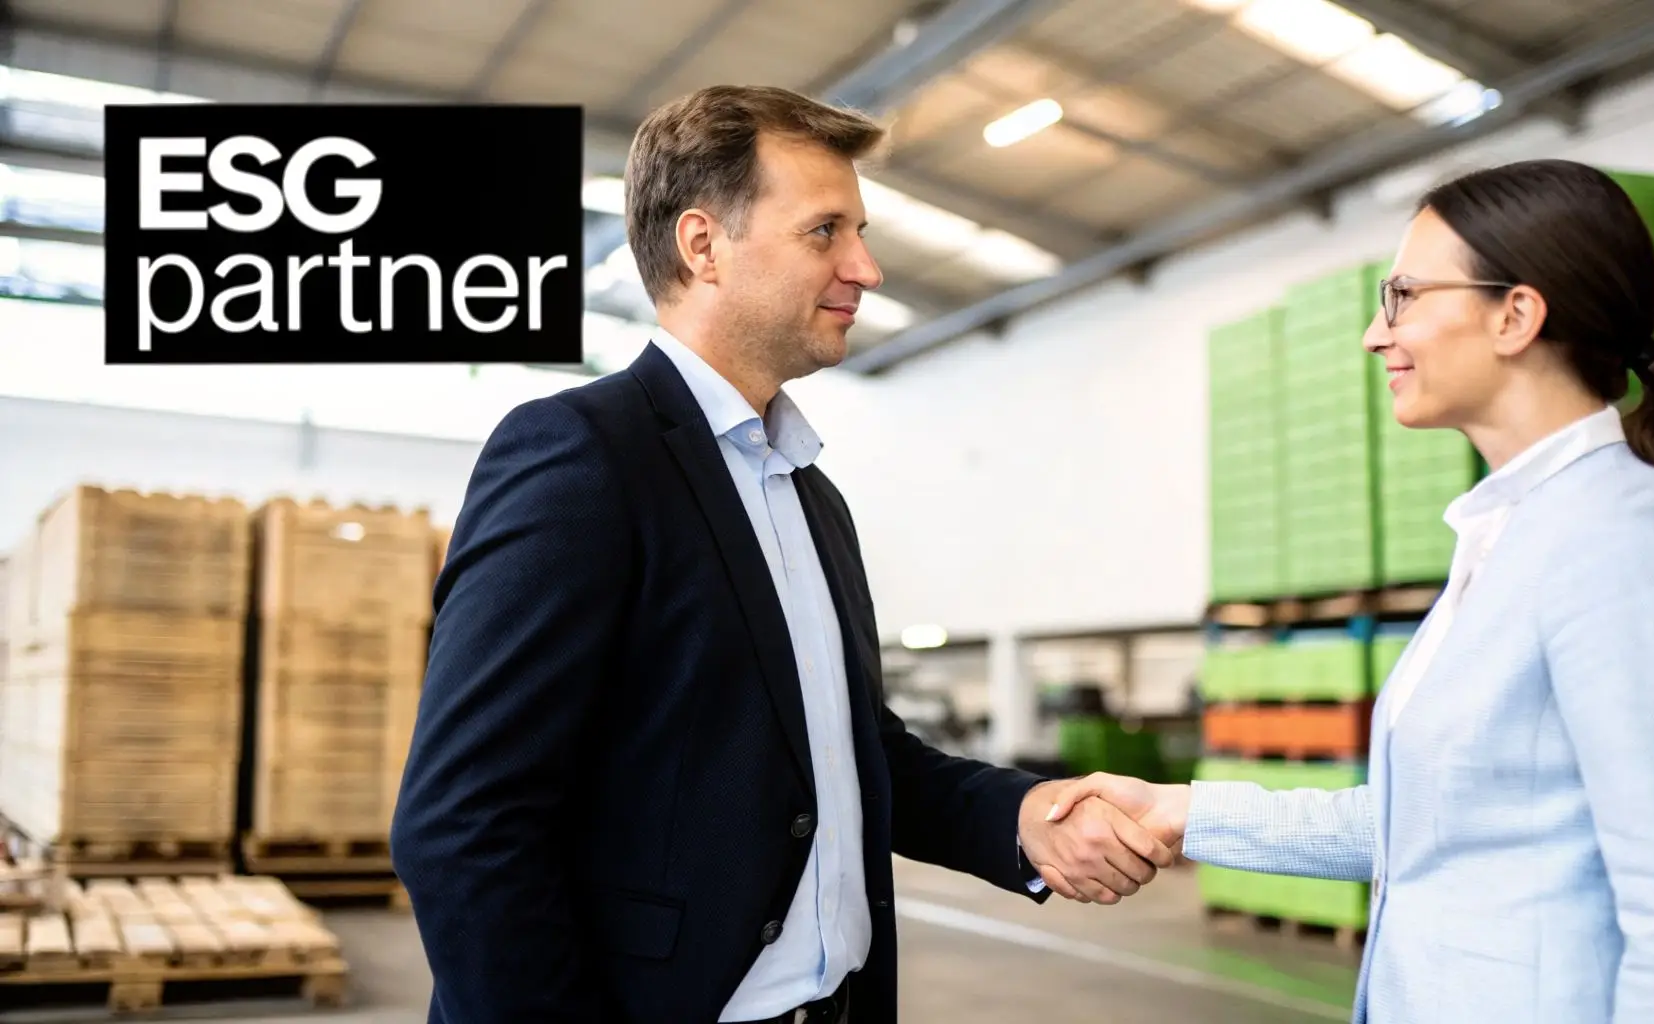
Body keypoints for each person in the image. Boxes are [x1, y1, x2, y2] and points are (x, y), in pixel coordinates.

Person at [389, 84, 1174, 1024]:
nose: (865, 268)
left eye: (860, 232)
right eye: (824, 231)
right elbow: (462, 824)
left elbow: (857, 752)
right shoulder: (582, 456)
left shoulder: (809, 495)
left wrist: (1022, 817)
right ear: (702, 245)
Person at [1045, 158, 1654, 1024]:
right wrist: (1183, 810)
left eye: (1404, 295)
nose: (1376, 334)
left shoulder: (1627, 541)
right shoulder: (1512, 535)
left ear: (1516, 315)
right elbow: (1435, 824)